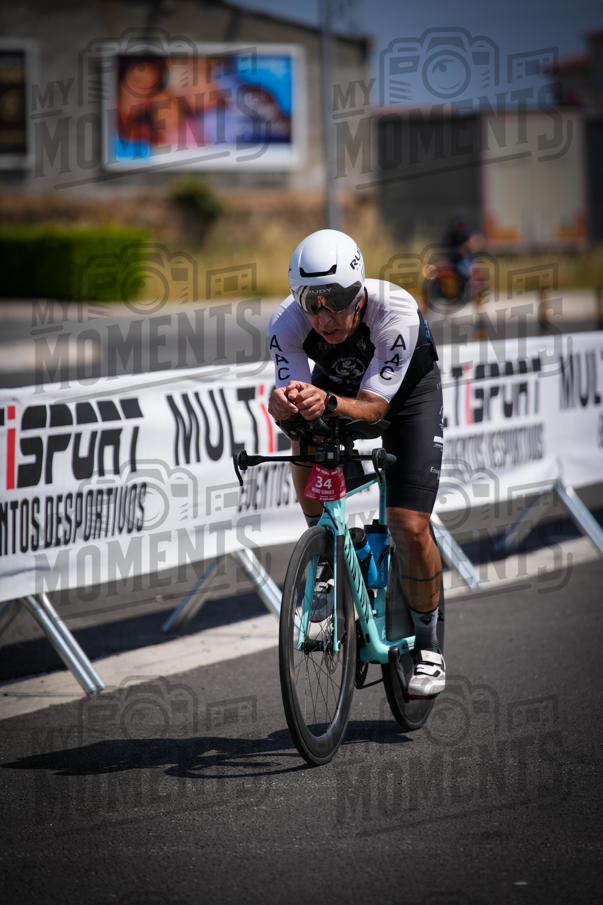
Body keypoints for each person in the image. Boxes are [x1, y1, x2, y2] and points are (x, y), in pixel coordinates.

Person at [267, 229, 446, 698]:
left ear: (360, 289)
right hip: (342, 393)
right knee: (303, 431)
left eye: (337, 299)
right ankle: (324, 558)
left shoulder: (396, 311)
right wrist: (284, 404)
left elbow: (373, 411)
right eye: (311, 301)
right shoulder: (286, 323)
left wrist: (324, 400)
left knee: (407, 524)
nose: (324, 316)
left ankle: (428, 646)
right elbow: (294, 399)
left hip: (405, 401)